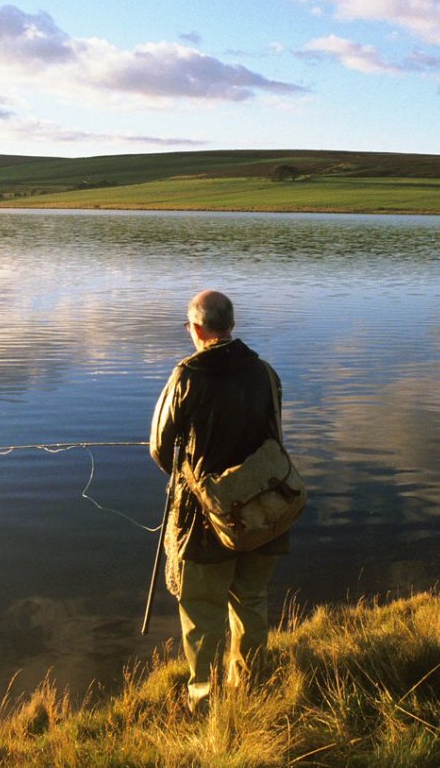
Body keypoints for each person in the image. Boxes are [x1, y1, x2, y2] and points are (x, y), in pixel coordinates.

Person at [150, 289, 287, 714]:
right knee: (251, 600)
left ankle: (203, 699)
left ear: (196, 328)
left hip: (204, 519)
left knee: (202, 611)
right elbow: (275, 437)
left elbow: (159, 448)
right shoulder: (265, 372)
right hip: (264, 511)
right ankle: (250, 686)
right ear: (230, 325)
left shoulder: (186, 376)